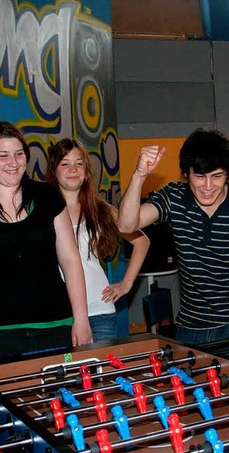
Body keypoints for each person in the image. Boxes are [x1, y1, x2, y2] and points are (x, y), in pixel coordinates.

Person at [117, 128, 229, 346]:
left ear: (228, 174)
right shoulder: (173, 197)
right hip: (191, 324)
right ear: (186, 174)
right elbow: (126, 224)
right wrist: (139, 174)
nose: (207, 186)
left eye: (216, 176)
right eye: (200, 176)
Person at [0, 122, 91, 361]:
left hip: (56, 325)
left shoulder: (47, 197)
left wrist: (81, 319)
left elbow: (70, 260)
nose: (13, 162)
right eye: (3, 155)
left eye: (18, 154)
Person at [46, 138, 150, 341]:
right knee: (69, 372)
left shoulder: (100, 209)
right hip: (61, 315)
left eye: (79, 163)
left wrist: (126, 283)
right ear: (54, 170)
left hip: (100, 311)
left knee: (105, 372)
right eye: (65, 163)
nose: (73, 169)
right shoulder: (43, 211)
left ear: (86, 170)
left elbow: (142, 241)